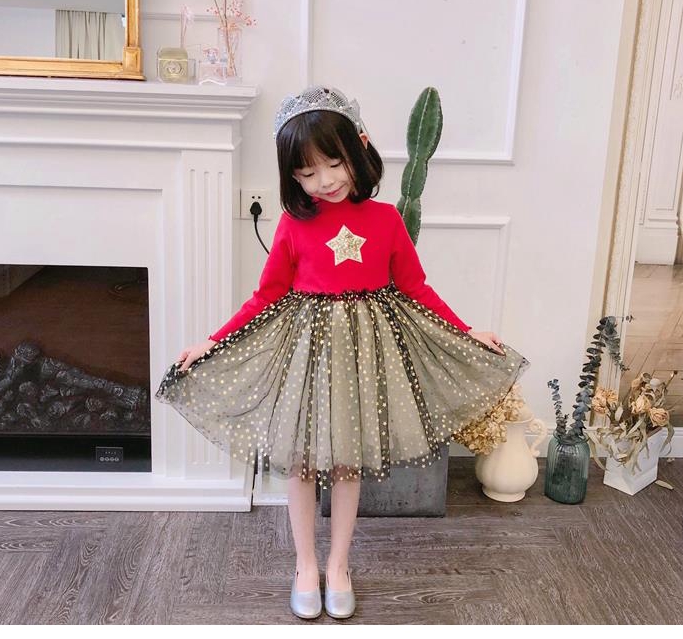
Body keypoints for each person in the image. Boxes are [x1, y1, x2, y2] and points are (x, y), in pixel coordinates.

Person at [155, 85, 530, 620]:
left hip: (362, 359)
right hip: (306, 360)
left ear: (359, 148)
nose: (325, 181)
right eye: (307, 173)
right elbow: (266, 295)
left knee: (348, 464)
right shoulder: (293, 224)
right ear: (292, 177)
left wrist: (467, 331)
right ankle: (305, 565)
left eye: (333, 164)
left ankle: (338, 565)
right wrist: (214, 341)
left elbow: (416, 288)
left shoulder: (387, 220)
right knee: (302, 464)